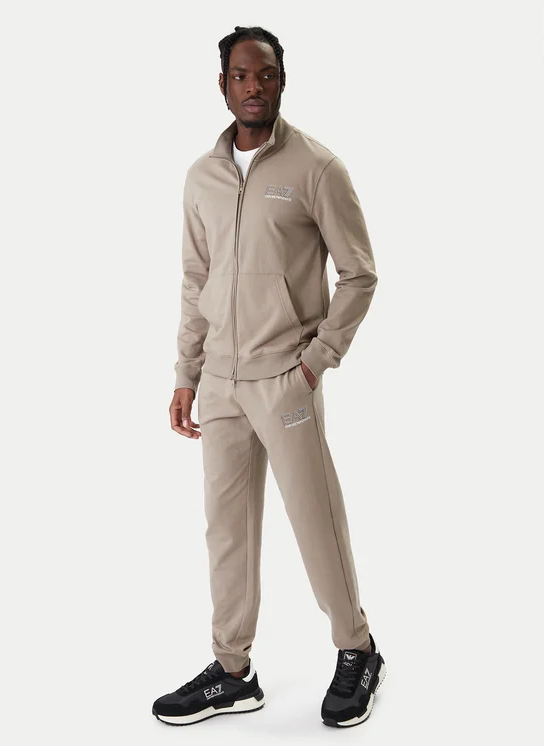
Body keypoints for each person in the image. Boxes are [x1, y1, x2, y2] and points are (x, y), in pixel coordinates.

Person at [152, 25, 386, 729]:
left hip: (285, 378)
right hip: (219, 382)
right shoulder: (202, 176)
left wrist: (316, 360)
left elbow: (359, 274)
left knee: (316, 522)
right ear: (222, 85)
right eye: (241, 76)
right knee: (226, 532)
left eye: (267, 75)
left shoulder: (317, 168)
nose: (254, 87)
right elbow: (195, 279)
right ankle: (233, 672)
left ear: (282, 81)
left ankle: (358, 649)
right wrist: (186, 372)